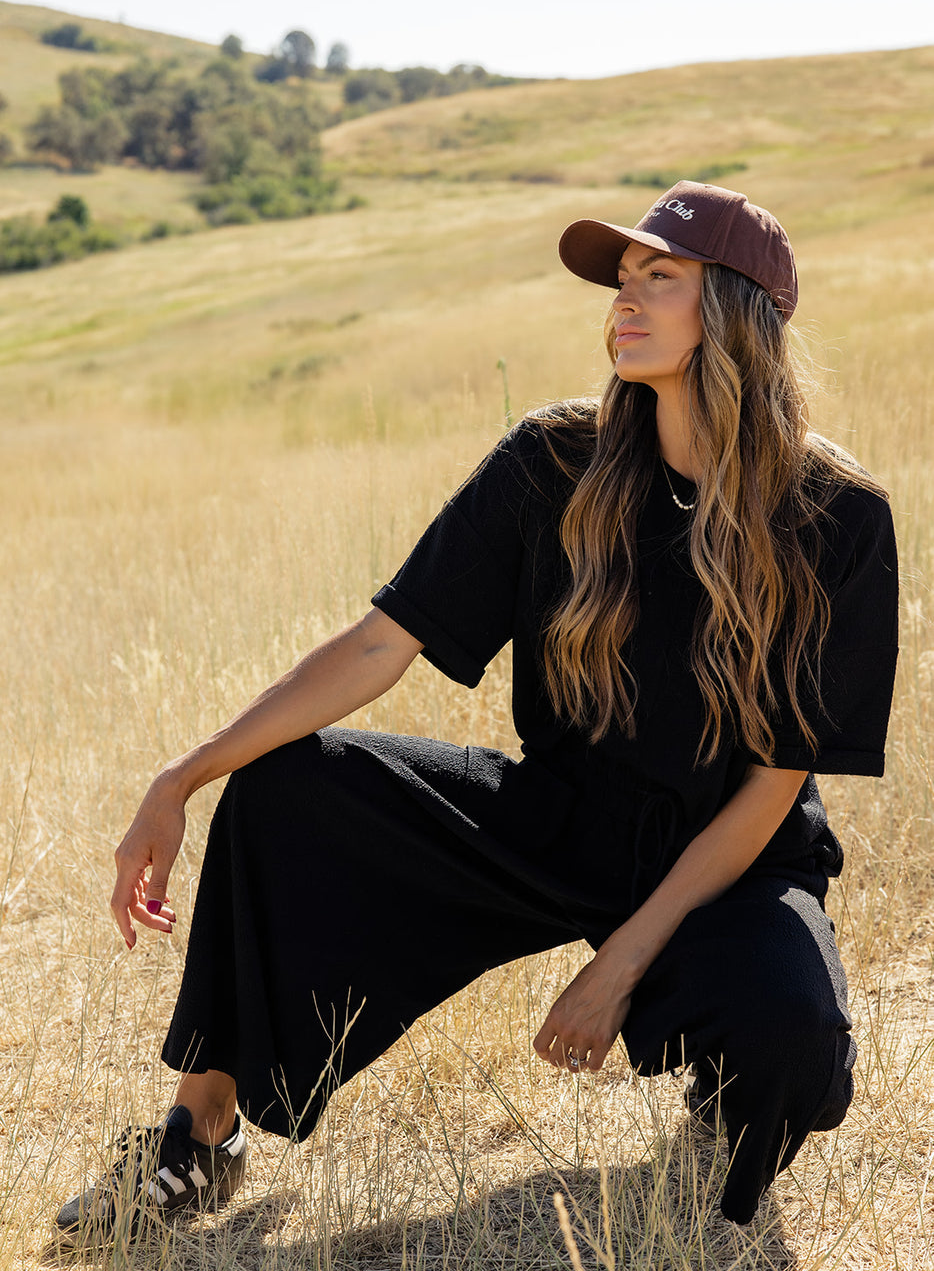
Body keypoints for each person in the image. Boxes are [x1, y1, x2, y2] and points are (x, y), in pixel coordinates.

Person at [55, 181, 898, 1237]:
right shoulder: (552, 462)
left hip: (731, 848)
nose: (623, 303)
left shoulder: (837, 516)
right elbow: (378, 643)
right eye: (622, 280)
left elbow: (775, 782)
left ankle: (725, 1100)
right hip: (555, 816)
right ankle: (198, 1133)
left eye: (660, 279)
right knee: (284, 787)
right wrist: (179, 776)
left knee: (794, 1045)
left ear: (737, 310)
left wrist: (619, 964)